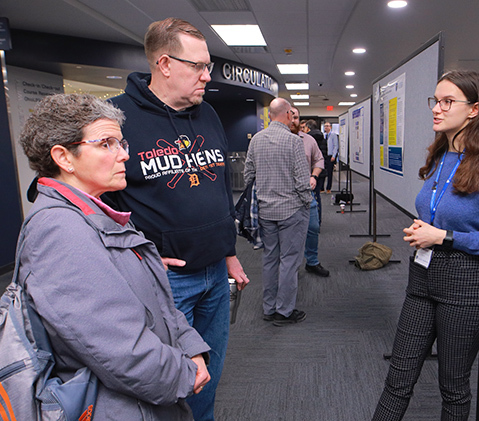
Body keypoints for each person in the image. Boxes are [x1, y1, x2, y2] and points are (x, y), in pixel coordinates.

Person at [17, 93, 211, 420]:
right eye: (107, 144)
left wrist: (190, 348)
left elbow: (156, 301)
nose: (123, 156)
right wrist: (183, 373)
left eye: (121, 144)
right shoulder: (60, 231)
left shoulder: (98, 213)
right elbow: (117, 350)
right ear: (64, 157)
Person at [104, 18, 249, 421]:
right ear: (164, 63)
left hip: (215, 275)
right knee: (168, 382)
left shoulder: (208, 114)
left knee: (209, 375)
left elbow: (220, 190)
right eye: (198, 67)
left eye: (209, 67)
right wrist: (135, 257)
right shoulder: (117, 117)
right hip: (165, 281)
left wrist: (229, 252)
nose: (207, 76)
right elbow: (95, 203)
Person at [372, 70, 479, 421]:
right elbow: (439, 211)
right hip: (422, 280)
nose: (437, 109)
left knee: (453, 390)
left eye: (447, 102)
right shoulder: (442, 156)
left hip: (467, 288)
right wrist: (425, 228)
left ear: (473, 109)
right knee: (397, 379)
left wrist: (442, 236)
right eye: (435, 101)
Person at [244, 98, 313, 326]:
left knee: (270, 259)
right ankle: (284, 311)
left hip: (265, 211)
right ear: (286, 115)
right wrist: (306, 203)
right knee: (289, 261)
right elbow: (302, 181)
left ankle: (268, 307)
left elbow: (248, 176)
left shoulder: (256, 141)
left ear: (270, 116)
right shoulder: (293, 142)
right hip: (291, 211)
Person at [290, 107, 330, 277]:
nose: (294, 120)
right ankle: (290, 266)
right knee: (289, 232)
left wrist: (314, 175)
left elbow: (319, 159)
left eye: (297, 117)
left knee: (313, 227)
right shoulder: (275, 140)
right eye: (291, 116)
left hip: (307, 193)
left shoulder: (308, 140)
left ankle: (312, 261)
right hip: (286, 196)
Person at [305, 119, 328, 223]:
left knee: (310, 195)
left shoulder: (307, 139)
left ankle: (312, 220)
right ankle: (318, 219)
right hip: (321, 170)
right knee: (317, 194)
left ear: (308, 128)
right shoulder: (323, 137)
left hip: (311, 172)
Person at [323, 121, 339, 193]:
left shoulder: (333, 135)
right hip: (324, 156)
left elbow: (336, 146)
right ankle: (322, 188)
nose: (326, 127)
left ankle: (328, 188)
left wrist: (334, 156)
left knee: (330, 173)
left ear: (330, 127)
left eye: (327, 126)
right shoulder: (323, 135)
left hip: (330, 156)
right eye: (325, 126)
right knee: (323, 172)